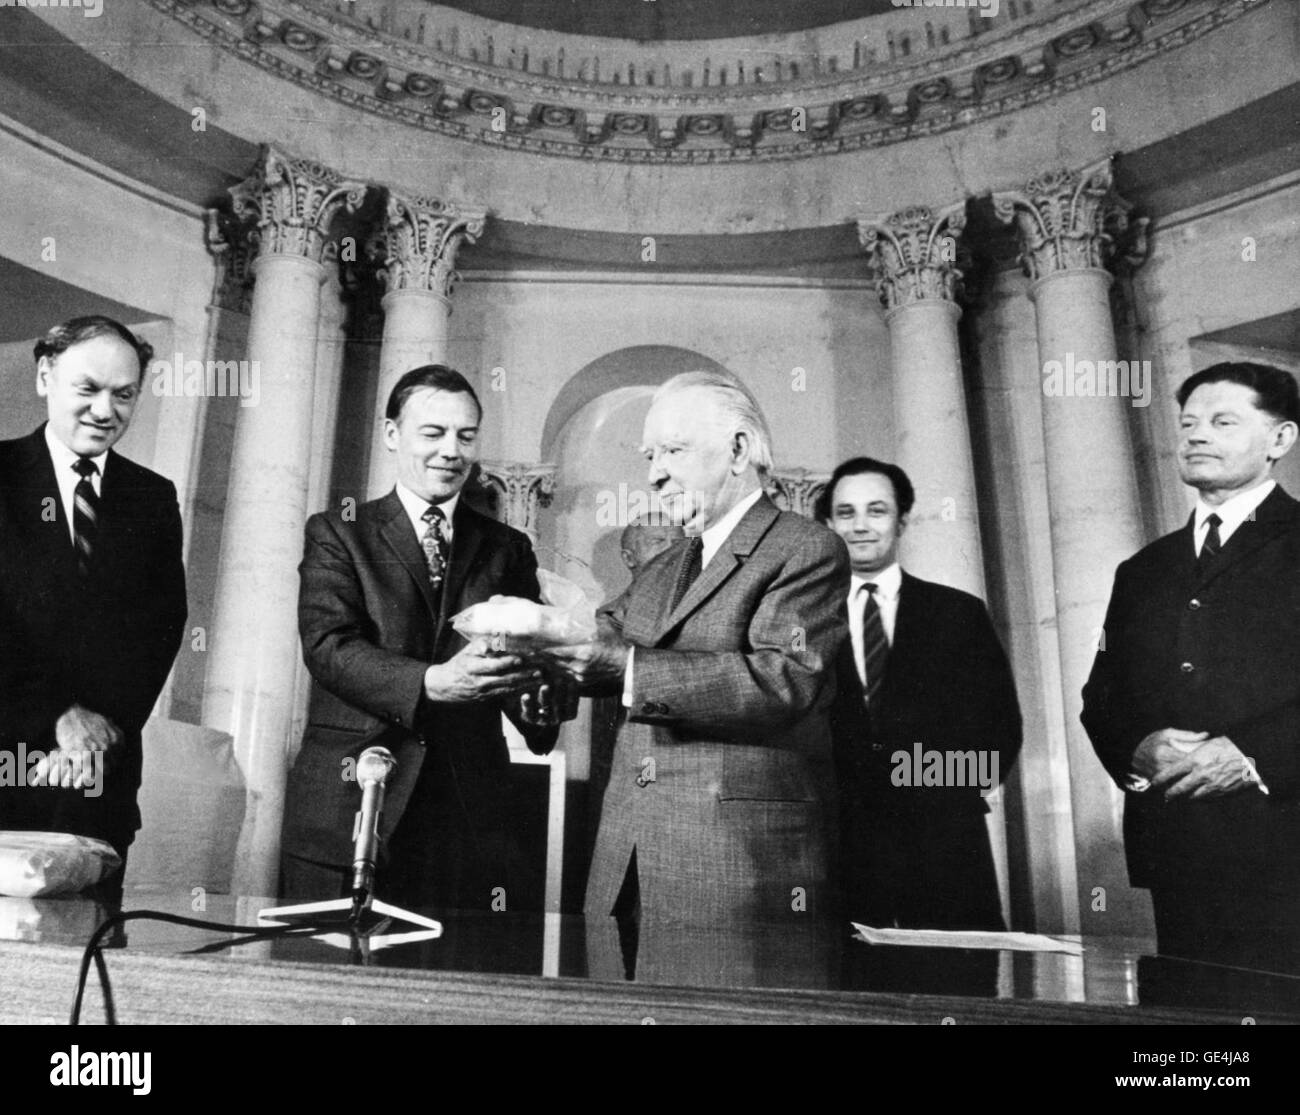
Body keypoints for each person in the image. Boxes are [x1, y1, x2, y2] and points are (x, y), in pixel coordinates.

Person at [546, 370, 848, 984]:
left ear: (738, 450)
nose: (653, 472)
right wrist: (532, 651)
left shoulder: (805, 548)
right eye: (649, 455)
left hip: (739, 868)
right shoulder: (664, 567)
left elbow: (781, 678)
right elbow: (596, 639)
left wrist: (625, 667)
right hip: (624, 865)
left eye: (672, 451)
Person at [280, 365, 572, 911]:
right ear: (392, 434)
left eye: (465, 436)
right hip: (349, 805)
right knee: (323, 983)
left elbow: (525, 664)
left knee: (447, 987)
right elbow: (328, 646)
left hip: (467, 813)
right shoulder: (337, 532)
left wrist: (540, 702)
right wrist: (433, 682)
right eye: (432, 433)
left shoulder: (509, 547)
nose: (451, 452)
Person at [1083, 361, 1300, 974]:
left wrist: (1254, 754)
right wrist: (1138, 748)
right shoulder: (1144, 569)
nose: (1196, 435)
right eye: (1188, 423)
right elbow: (1100, 696)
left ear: (1280, 440)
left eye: (1223, 422)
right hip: (1177, 851)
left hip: (1286, 841)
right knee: (1186, 1049)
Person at [0, 316, 187, 900]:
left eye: (123, 394)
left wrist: (97, 726)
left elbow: (161, 629)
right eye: (88, 389)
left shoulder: (153, 498)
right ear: (44, 376)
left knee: (91, 968)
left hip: (96, 789)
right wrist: (53, 718)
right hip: (7, 765)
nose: (105, 411)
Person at [820, 457, 1021, 938]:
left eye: (876, 510)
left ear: (902, 520)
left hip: (945, 850)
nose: (861, 526)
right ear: (828, 525)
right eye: (846, 513)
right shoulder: (800, 619)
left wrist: (910, 776)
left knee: (957, 996)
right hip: (832, 850)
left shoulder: (958, 614)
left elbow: (999, 736)